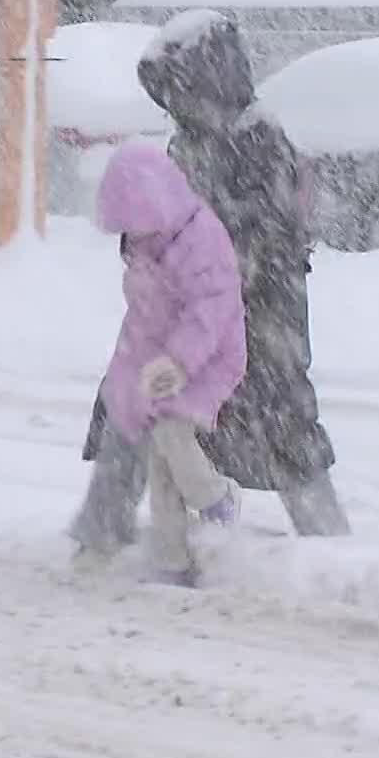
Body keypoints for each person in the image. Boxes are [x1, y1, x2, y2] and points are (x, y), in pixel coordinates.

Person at [73, 11, 348, 558]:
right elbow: (162, 218)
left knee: (283, 429)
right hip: (182, 316)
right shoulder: (187, 146)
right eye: (170, 93)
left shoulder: (261, 140)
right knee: (131, 402)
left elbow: (270, 234)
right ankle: (104, 529)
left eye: (184, 89)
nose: (178, 104)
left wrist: (214, 265)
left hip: (259, 320)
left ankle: (331, 549)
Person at [89, 142, 248, 586]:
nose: (132, 234)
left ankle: (217, 497)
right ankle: (172, 559)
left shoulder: (200, 238)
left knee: (170, 432)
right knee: (161, 461)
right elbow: (144, 319)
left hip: (209, 358)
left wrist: (178, 361)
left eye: (135, 223)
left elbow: (210, 310)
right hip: (162, 365)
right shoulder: (145, 248)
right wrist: (130, 378)